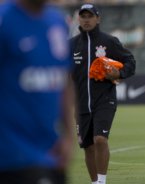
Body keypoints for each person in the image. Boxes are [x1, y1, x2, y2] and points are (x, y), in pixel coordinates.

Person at [0, 0, 74, 184]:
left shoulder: (57, 21)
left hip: (51, 152)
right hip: (12, 155)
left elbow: (63, 80)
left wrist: (69, 136)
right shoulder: (5, 20)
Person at [70, 3, 136, 184]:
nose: (86, 19)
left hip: (105, 99)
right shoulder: (72, 45)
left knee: (100, 139)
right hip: (81, 104)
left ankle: (102, 181)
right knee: (88, 146)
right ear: (79, 19)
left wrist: (119, 73)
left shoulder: (109, 41)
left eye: (90, 16)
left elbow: (130, 61)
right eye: (83, 16)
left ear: (98, 18)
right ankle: (95, 182)